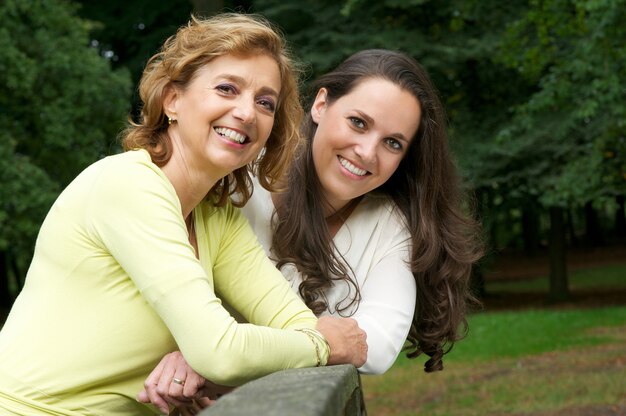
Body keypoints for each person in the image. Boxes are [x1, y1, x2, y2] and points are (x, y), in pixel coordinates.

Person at [0, 13, 367, 416]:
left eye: (265, 102)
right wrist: (324, 345)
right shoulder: (126, 185)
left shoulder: (217, 216)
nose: (247, 112)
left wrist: (205, 354)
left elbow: (290, 323)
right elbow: (226, 351)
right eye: (227, 88)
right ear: (172, 100)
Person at [142, 48, 483, 410]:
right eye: (358, 122)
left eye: (393, 143)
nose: (367, 152)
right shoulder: (239, 178)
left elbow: (375, 345)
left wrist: (213, 362)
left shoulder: (390, 226)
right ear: (320, 105)